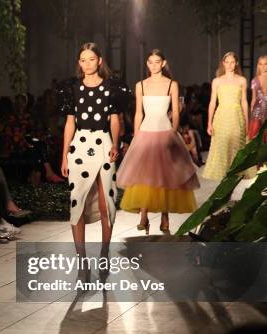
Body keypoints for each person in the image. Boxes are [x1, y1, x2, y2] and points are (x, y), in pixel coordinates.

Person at [116, 49, 199, 234]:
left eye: (157, 61)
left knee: (166, 176)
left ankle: (164, 216)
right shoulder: (141, 85)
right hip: (146, 131)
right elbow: (138, 112)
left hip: (165, 131)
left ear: (163, 63)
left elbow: (176, 112)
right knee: (145, 175)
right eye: (150, 62)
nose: (153, 65)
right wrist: (136, 136)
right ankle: (143, 215)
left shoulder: (171, 84)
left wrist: (173, 131)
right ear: (147, 64)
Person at [59, 42, 120, 275]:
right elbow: (69, 123)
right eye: (83, 60)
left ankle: (104, 255)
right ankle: (82, 263)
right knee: (77, 203)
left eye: (91, 59)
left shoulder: (111, 88)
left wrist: (115, 143)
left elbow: (115, 119)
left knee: (107, 203)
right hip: (79, 147)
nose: (87, 64)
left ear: (100, 61)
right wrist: (64, 155)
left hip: (104, 144)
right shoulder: (72, 88)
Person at [203, 52, 248, 181]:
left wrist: (246, 121)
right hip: (221, 116)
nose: (229, 65)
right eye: (227, 62)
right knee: (222, 150)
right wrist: (209, 123)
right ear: (223, 63)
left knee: (236, 149)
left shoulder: (242, 80)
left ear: (236, 63)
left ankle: (233, 186)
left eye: (232, 62)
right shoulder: (217, 81)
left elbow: (244, 101)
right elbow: (212, 102)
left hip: (236, 116)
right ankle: (224, 189)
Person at [249, 55, 267, 141]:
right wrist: (251, 112)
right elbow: (253, 98)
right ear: (258, 65)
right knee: (255, 137)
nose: (263, 66)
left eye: (265, 64)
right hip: (257, 111)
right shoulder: (255, 80)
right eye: (261, 64)